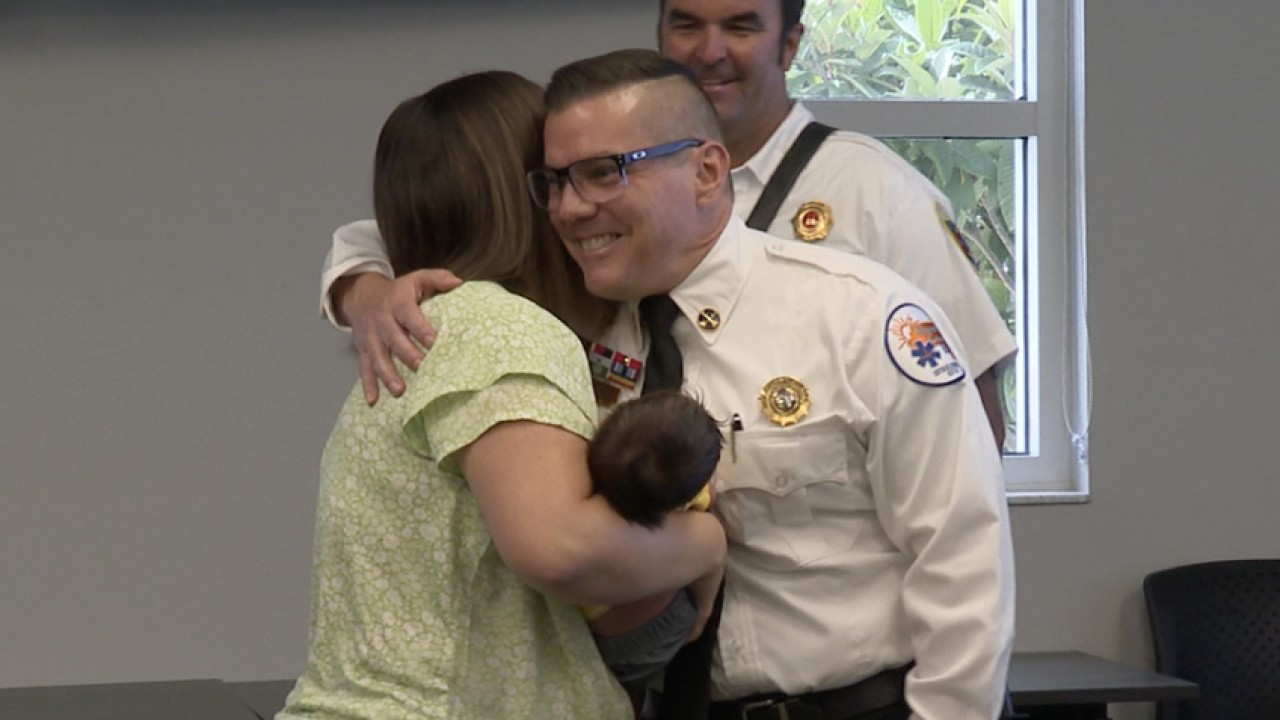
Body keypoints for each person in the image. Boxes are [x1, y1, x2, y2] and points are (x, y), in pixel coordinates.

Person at [533, 49, 1015, 719]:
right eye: (554, 182)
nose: (569, 208)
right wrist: (367, 290)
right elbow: (403, 222)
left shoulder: (856, 316)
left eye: (602, 173)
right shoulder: (563, 338)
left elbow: (963, 560)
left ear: (705, 171)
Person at [318, 0, 1016, 451]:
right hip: (647, 600)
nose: (710, 50)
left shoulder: (873, 192)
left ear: (791, 44)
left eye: (741, 26)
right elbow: (417, 226)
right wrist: (368, 294)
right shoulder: (593, 175)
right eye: (686, 23)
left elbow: (969, 417)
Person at [276, 71, 725, 720]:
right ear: (526, 195)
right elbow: (558, 548)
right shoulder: (500, 329)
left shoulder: (427, 326)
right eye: (555, 179)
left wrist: (362, 289)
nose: (575, 203)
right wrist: (706, 542)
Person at [582, 390, 723, 711]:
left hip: (588, 622)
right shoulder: (686, 500)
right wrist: (704, 606)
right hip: (650, 633)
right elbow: (710, 497)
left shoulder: (583, 481)